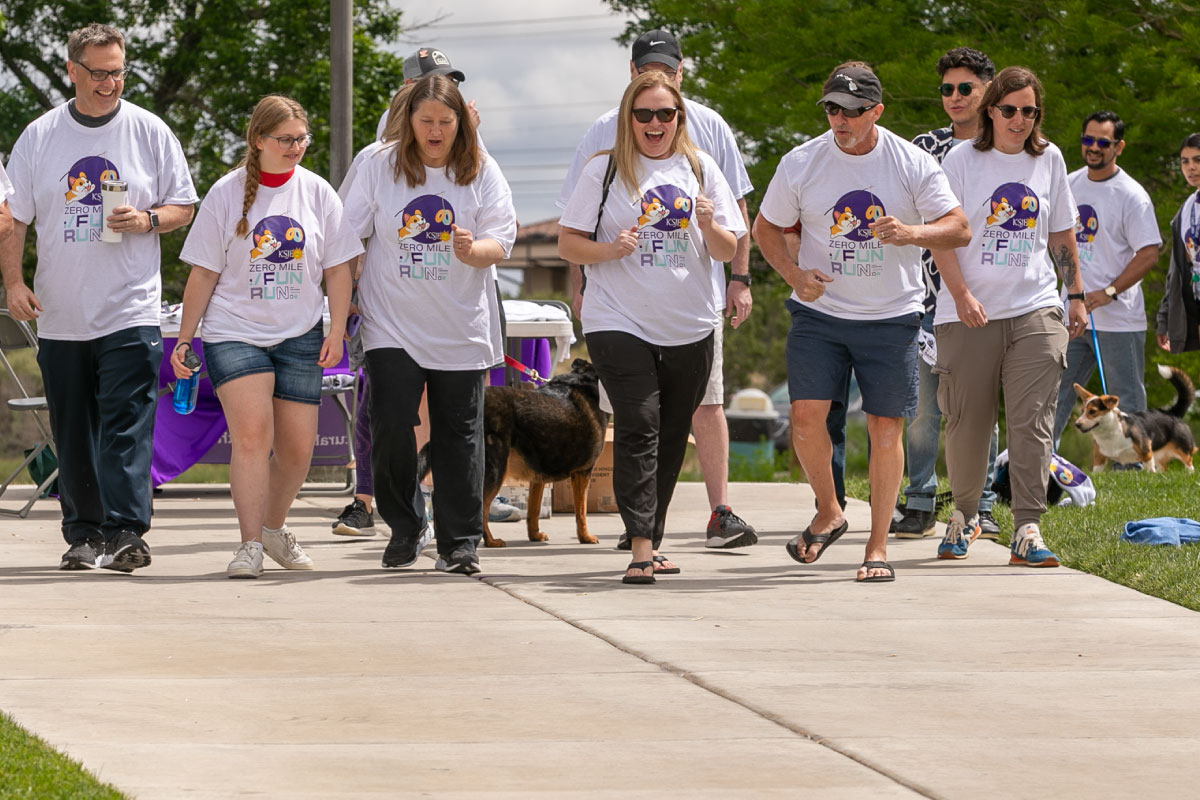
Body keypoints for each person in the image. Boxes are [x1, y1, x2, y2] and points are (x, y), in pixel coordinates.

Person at [754, 62, 970, 583]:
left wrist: (911, 233)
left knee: (883, 429)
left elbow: (959, 228)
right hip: (820, 313)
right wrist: (793, 273)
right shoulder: (802, 161)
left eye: (852, 111)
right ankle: (829, 511)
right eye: (832, 108)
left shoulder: (910, 162)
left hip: (891, 316)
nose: (840, 120)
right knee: (805, 420)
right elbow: (764, 227)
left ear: (876, 111)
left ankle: (877, 547)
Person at [0, 23, 197, 572]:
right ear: (72, 70)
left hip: (129, 308)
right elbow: (12, 218)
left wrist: (148, 219)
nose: (111, 82)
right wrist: (14, 283)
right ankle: (83, 534)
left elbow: (184, 205)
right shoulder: (40, 136)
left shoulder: (150, 131)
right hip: (62, 312)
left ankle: (127, 531)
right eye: (100, 72)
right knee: (74, 429)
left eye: (119, 71)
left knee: (128, 421)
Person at [558, 29, 758, 550]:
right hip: (617, 317)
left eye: (665, 114)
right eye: (644, 114)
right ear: (628, 111)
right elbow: (569, 241)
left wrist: (727, 253)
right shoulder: (602, 161)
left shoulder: (701, 159)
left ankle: (659, 525)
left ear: (680, 110)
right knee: (639, 422)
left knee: (675, 431)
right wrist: (605, 256)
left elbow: (727, 238)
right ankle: (642, 542)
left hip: (689, 318)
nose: (654, 122)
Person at [170, 95, 358, 578]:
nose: (296, 147)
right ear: (258, 141)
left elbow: (339, 270)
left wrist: (336, 328)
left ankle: (274, 529)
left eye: (302, 139)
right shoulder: (226, 193)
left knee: (298, 451)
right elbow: (203, 274)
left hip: (300, 334)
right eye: (285, 139)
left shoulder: (319, 193)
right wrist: (185, 340)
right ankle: (249, 544)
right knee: (253, 436)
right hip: (234, 332)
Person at [341, 75, 517, 576]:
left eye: (445, 121)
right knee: (393, 424)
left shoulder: (481, 168)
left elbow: (501, 240)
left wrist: (472, 250)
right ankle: (404, 525)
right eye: (426, 121)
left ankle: (459, 542)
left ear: (461, 123)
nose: (435, 131)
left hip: (461, 327)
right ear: (409, 120)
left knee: (460, 435)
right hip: (391, 324)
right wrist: (342, 297)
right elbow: (345, 238)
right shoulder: (377, 164)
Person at [931, 66, 1087, 568]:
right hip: (968, 312)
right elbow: (943, 235)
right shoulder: (961, 160)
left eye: (1029, 111)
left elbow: (1062, 234)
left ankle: (1027, 526)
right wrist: (960, 295)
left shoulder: (1051, 159)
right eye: (1009, 109)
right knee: (967, 422)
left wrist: (1076, 295)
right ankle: (966, 513)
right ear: (990, 110)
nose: (1019, 119)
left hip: (1035, 306)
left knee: (1033, 421)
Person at [892, 47, 1004, 540]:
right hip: (924, 297)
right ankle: (919, 500)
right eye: (946, 89)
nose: (954, 98)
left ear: (988, 90)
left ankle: (980, 504)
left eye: (965, 88)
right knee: (920, 410)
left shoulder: (1005, 147)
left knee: (978, 405)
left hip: (985, 297)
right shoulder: (924, 148)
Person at [1052, 111, 1161, 445]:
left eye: (1103, 142)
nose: (1094, 147)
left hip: (1118, 319)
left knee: (1125, 400)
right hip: (1070, 312)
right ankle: (1037, 466)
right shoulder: (1068, 183)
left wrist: (1109, 292)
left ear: (1119, 146)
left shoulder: (1131, 195)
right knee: (1053, 395)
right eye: (1088, 140)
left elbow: (1149, 253)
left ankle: (1134, 475)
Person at [1156, 133, 1200, 353]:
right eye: (1185, 161)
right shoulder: (1187, 210)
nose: (1191, 167)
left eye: (1197, 160)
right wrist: (1165, 318)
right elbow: (1176, 272)